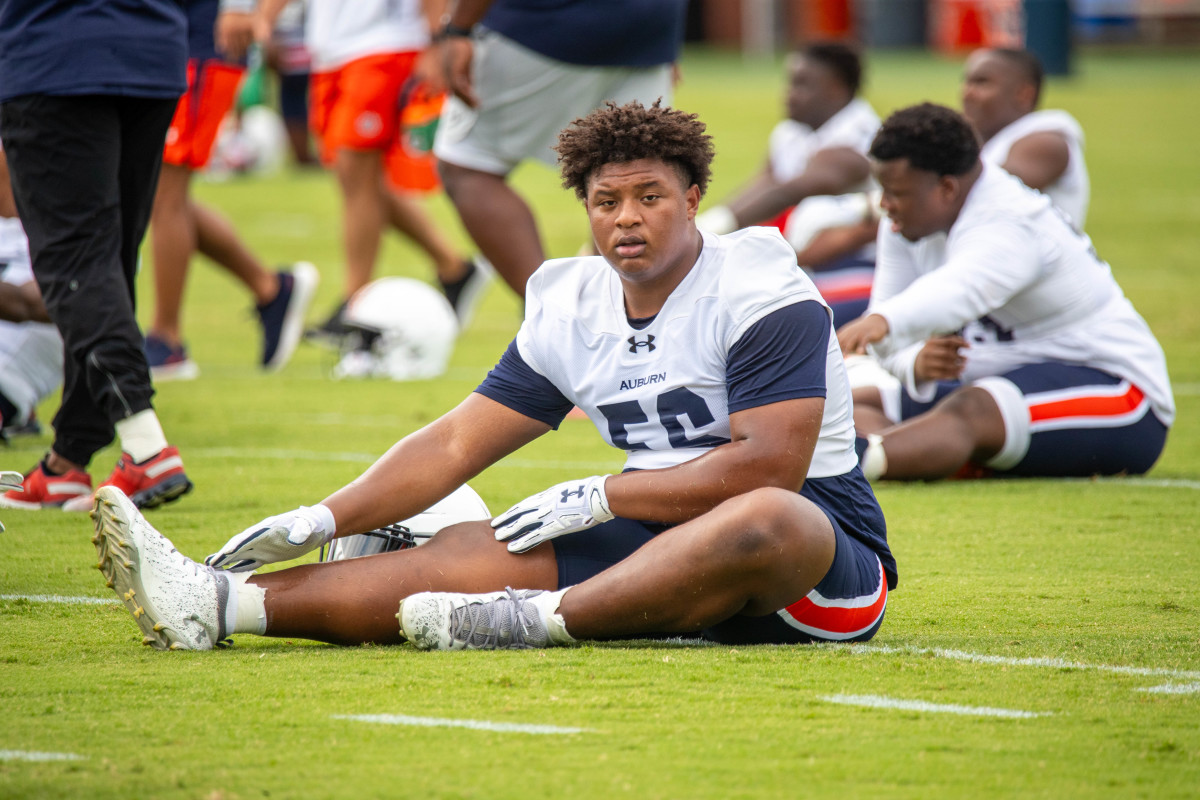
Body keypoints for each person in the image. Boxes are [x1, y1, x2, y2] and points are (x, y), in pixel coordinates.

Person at [92, 101, 896, 653]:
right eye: (606, 200)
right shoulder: (571, 302)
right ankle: (222, 604)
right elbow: (453, 444)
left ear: (692, 200)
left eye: (651, 196)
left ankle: (531, 623)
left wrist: (604, 495)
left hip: (815, 571)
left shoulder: (758, 286)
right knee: (475, 546)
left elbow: (770, 466)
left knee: (767, 516)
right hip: (659, 536)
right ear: (585, 206)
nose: (627, 218)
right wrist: (320, 518)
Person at [837, 103, 1172, 482]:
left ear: (947, 188)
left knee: (973, 409)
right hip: (999, 381)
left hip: (1118, 391)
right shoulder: (905, 223)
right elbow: (888, 339)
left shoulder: (1011, 218)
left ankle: (845, 471)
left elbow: (962, 289)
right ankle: (934, 456)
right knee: (855, 400)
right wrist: (913, 361)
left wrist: (886, 321)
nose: (884, 204)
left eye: (896, 193)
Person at [0, 0, 194, 510]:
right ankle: (70, 457)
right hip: (153, 48)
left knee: (76, 259)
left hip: (53, 52)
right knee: (108, 256)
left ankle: (146, 445)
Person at [223, 0, 488, 342]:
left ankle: (355, 302)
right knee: (354, 177)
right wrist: (262, 17)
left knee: (356, 171)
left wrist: (436, 41)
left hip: (386, 43)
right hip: (330, 48)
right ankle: (454, 266)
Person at [432, 0, 688, 300]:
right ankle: (610, 316)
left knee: (468, 166)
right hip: (650, 28)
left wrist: (458, 30)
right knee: (634, 178)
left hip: (544, 26)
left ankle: (553, 314)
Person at [146, 0, 318, 381]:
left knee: (164, 193)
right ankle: (271, 288)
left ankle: (166, 339)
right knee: (147, 191)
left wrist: (243, 5)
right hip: (153, 35)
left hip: (199, 36)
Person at [695, 42, 880, 327]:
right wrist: (704, 231)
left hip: (861, 265)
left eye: (802, 85)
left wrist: (701, 236)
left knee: (767, 317)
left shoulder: (856, 136)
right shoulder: (791, 131)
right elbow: (761, 188)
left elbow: (790, 190)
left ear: (836, 88)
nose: (789, 95)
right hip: (810, 258)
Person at [961, 47, 1089, 227]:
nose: (968, 93)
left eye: (982, 83)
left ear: (1024, 94)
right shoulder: (987, 141)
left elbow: (990, 190)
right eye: (967, 82)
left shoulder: (1045, 140)